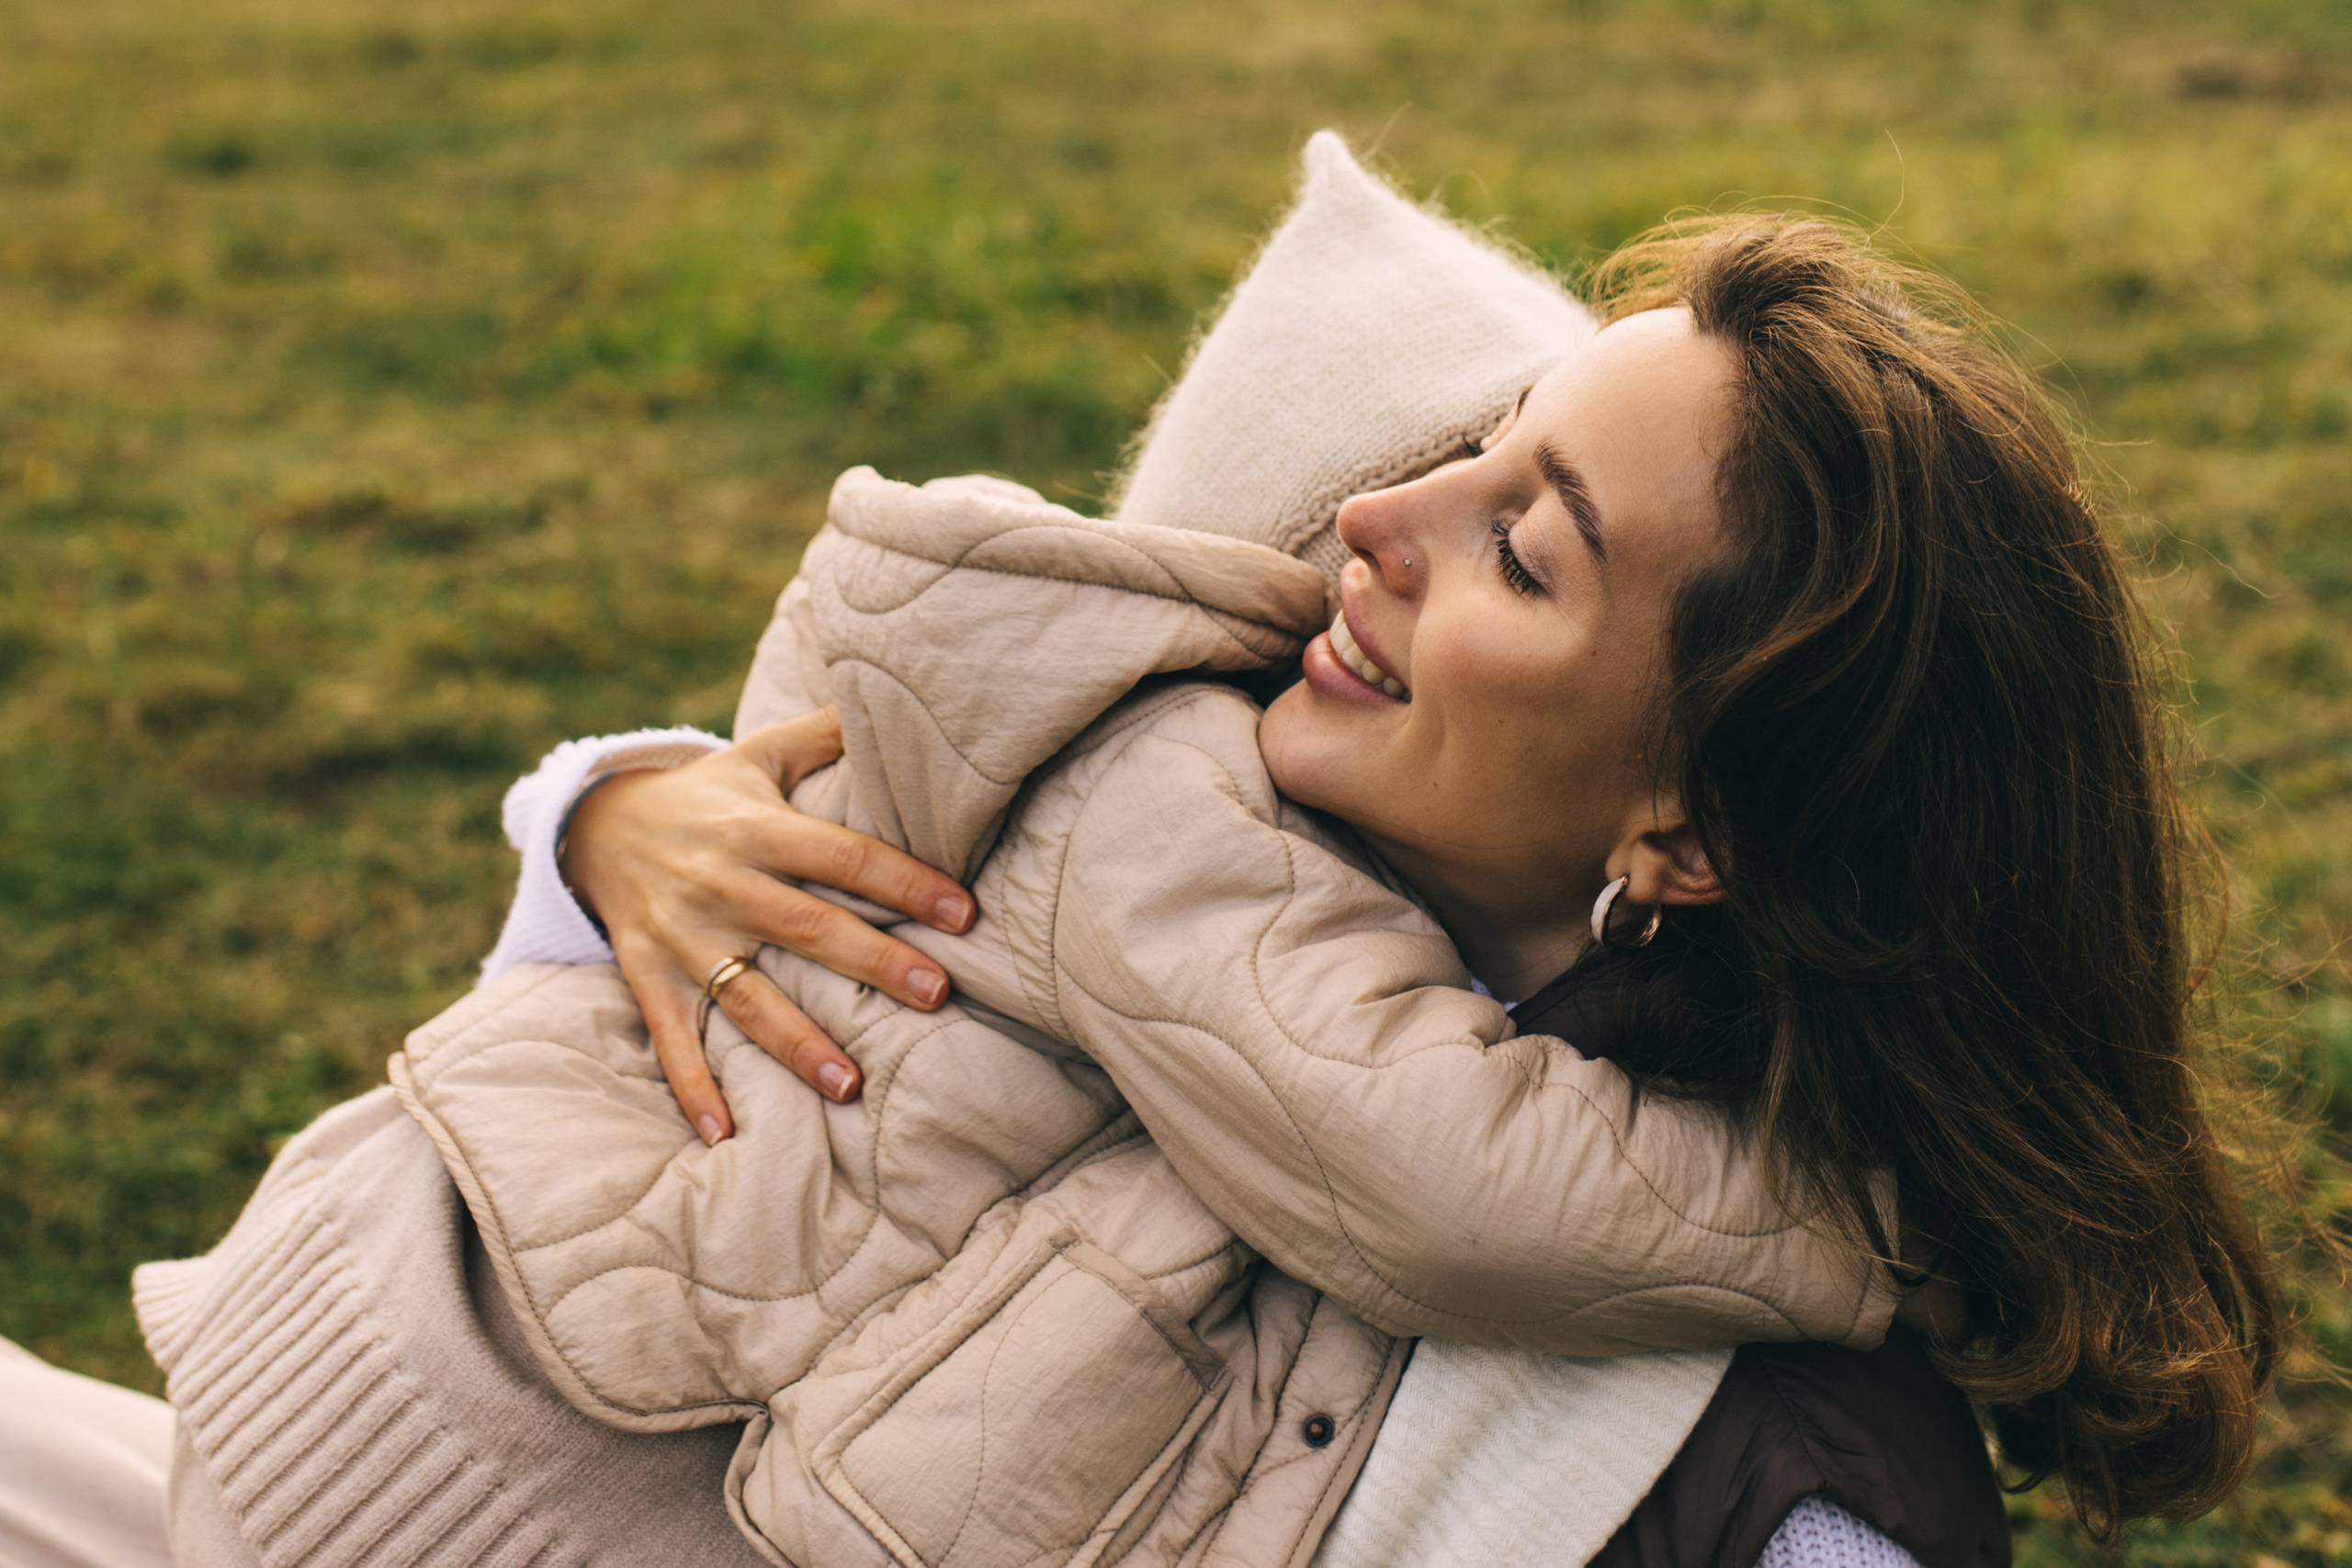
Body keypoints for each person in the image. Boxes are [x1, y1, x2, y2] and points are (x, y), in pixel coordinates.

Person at [112, 214, 2278, 1568]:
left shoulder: (1700, 1390)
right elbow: (603, 1039)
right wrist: (606, 813)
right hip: (301, 1382)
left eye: (1521, 546)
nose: (1371, 514)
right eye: (1479, 442)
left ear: (1689, 837)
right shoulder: (1155, 745)